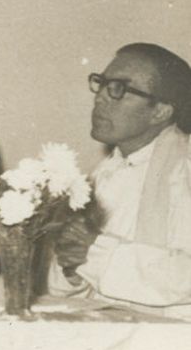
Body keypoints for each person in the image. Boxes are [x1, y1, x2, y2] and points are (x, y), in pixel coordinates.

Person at [51, 43, 191, 315]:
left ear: (161, 111)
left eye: (119, 89)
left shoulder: (184, 169)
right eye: (102, 84)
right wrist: (70, 269)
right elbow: (72, 286)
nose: (100, 98)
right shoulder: (101, 174)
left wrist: (95, 252)